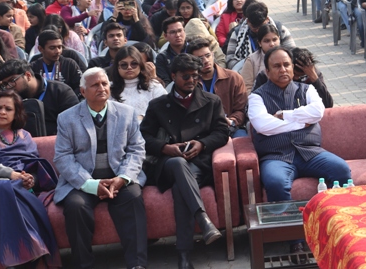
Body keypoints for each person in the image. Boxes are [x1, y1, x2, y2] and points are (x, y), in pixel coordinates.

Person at [54, 67, 148, 269]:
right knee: (76, 206)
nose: (101, 88)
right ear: (82, 91)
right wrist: (90, 184)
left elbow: (137, 149)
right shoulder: (67, 118)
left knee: (133, 198)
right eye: (95, 85)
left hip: (118, 177)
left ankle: (137, 264)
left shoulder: (126, 113)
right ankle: (83, 265)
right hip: (83, 181)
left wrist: (123, 177)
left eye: (105, 84)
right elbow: (63, 157)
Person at [141, 54, 226, 267]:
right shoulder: (158, 105)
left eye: (195, 76)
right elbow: (143, 137)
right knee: (178, 164)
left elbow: (222, 132)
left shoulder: (211, 101)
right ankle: (203, 219)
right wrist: (165, 148)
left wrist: (202, 144)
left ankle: (184, 257)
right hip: (168, 163)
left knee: (181, 189)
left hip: (198, 162)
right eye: (185, 76)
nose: (191, 80)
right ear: (173, 76)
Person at [0, 90, 61, 269]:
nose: (2, 112)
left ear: (16, 113)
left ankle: (23, 257)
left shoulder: (25, 136)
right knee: (1, 188)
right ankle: (27, 256)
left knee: (12, 189)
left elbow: (32, 165)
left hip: (19, 184)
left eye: (8, 109)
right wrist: (9, 174)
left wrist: (30, 179)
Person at [248, 46, 351, 205]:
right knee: (276, 182)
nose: (283, 69)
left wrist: (284, 115)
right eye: (277, 66)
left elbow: (317, 112)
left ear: (292, 67)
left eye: (286, 65)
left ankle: (336, 216)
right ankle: (287, 221)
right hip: (276, 156)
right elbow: (263, 126)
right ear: (267, 71)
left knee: (341, 169)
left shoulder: (307, 90)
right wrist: (302, 122)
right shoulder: (256, 97)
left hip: (310, 152)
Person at [187, 38, 247, 135]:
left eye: (208, 55)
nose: (206, 61)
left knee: (242, 140)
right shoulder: (190, 83)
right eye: (200, 58)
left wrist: (231, 121)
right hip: (201, 130)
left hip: (231, 127)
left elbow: (241, 109)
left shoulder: (233, 78)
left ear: (213, 54)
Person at [109, 45, 165, 120]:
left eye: (134, 64)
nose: (129, 67)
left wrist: (142, 118)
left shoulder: (154, 86)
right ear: (117, 67)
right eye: (124, 65)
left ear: (140, 65)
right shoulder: (108, 88)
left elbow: (164, 110)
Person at [30, 28, 83, 94]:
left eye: (60, 47)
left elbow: (81, 87)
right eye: (52, 48)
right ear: (40, 49)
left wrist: (69, 97)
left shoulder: (70, 64)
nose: (57, 51)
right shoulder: (33, 67)